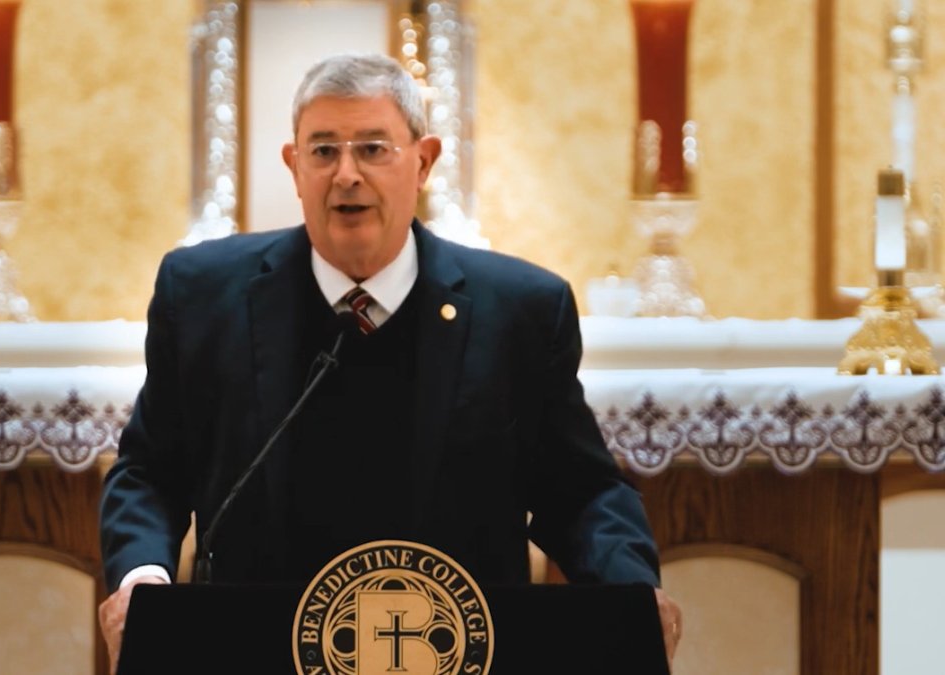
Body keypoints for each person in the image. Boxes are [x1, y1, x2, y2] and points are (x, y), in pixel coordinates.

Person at [98, 53, 681, 670]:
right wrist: (142, 579)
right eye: (323, 152)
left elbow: (581, 492)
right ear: (294, 168)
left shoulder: (521, 311)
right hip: (250, 652)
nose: (346, 174)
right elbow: (150, 472)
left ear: (423, 161)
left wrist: (632, 589)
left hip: (464, 656)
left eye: (373, 148)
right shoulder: (202, 296)